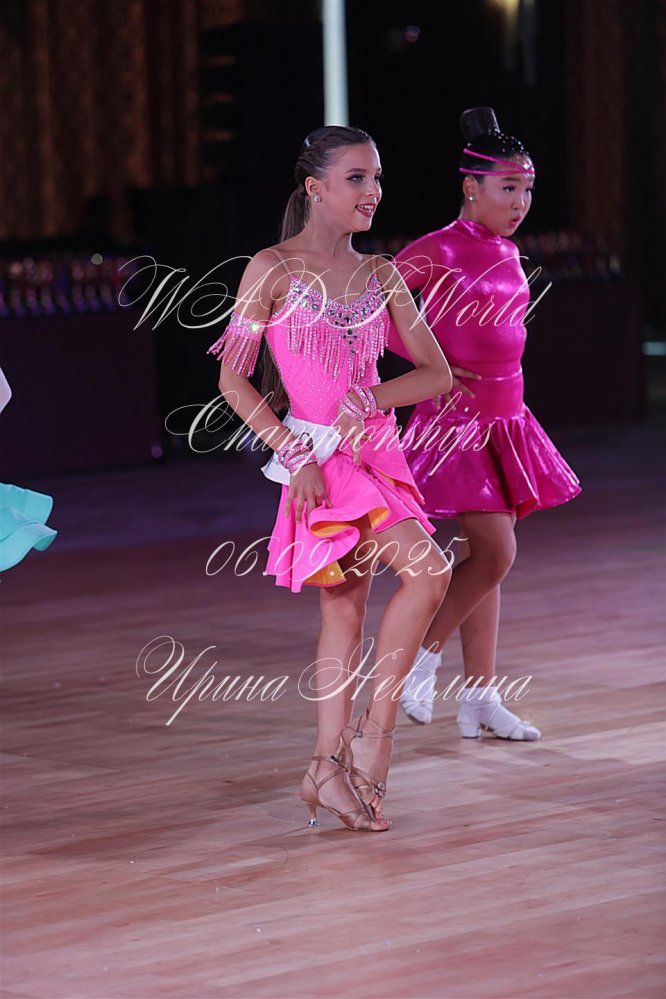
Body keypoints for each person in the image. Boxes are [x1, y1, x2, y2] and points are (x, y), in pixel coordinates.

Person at [208, 126, 453, 832]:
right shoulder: (272, 269)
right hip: (317, 459)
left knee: (382, 594)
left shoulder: (380, 274)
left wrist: (373, 396)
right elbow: (232, 380)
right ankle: (355, 749)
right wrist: (294, 454)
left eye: (377, 178)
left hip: (375, 454)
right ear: (315, 187)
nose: (373, 191)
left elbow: (435, 373)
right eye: (357, 178)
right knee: (386, 593)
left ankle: (340, 758)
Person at [389, 107, 581, 738]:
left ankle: (479, 698)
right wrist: (430, 363)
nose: (520, 202)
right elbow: (373, 306)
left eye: (527, 189)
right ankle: (419, 658)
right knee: (497, 554)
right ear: (471, 187)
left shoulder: (508, 249)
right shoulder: (439, 247)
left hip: (506, 419)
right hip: (456, 425)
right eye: (508, 188)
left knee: (483, 561)